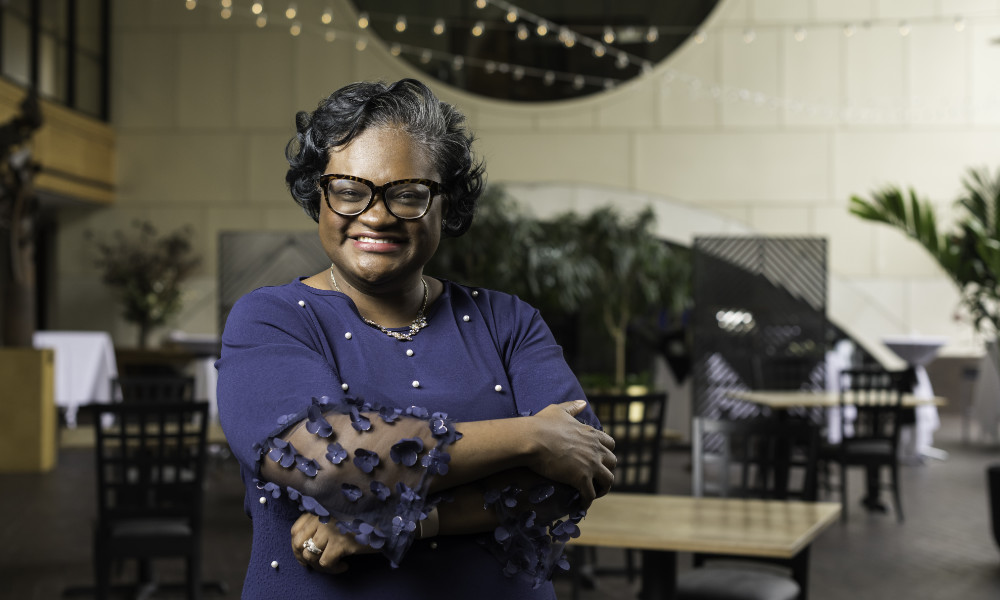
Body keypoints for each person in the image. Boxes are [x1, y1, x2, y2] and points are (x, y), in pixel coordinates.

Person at [216, 78, 616, 599]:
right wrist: (531, 437)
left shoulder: (508, 320)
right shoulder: (268, 319)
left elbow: (581, 473)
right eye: (349, 190)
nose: (377, 215)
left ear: (445, 204)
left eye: (408, 194)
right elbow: (335, 464)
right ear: (319, 196)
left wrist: (384, 528)